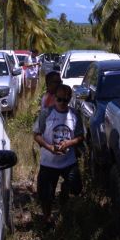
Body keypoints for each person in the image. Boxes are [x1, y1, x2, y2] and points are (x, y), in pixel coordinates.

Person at [33, 84, 84, 221]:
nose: (62, 103)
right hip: (48, 162)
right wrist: (49, 147)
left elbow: (80, 136)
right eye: (59, 99)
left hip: (68, 161)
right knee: (45, 195)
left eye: (65, 100)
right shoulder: (46, 113)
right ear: (54, 98)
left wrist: (69, 143)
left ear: (70, 100)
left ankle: (65, 196)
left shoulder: (74, 115)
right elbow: (36, 134)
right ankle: (47, 219)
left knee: (76, 188)